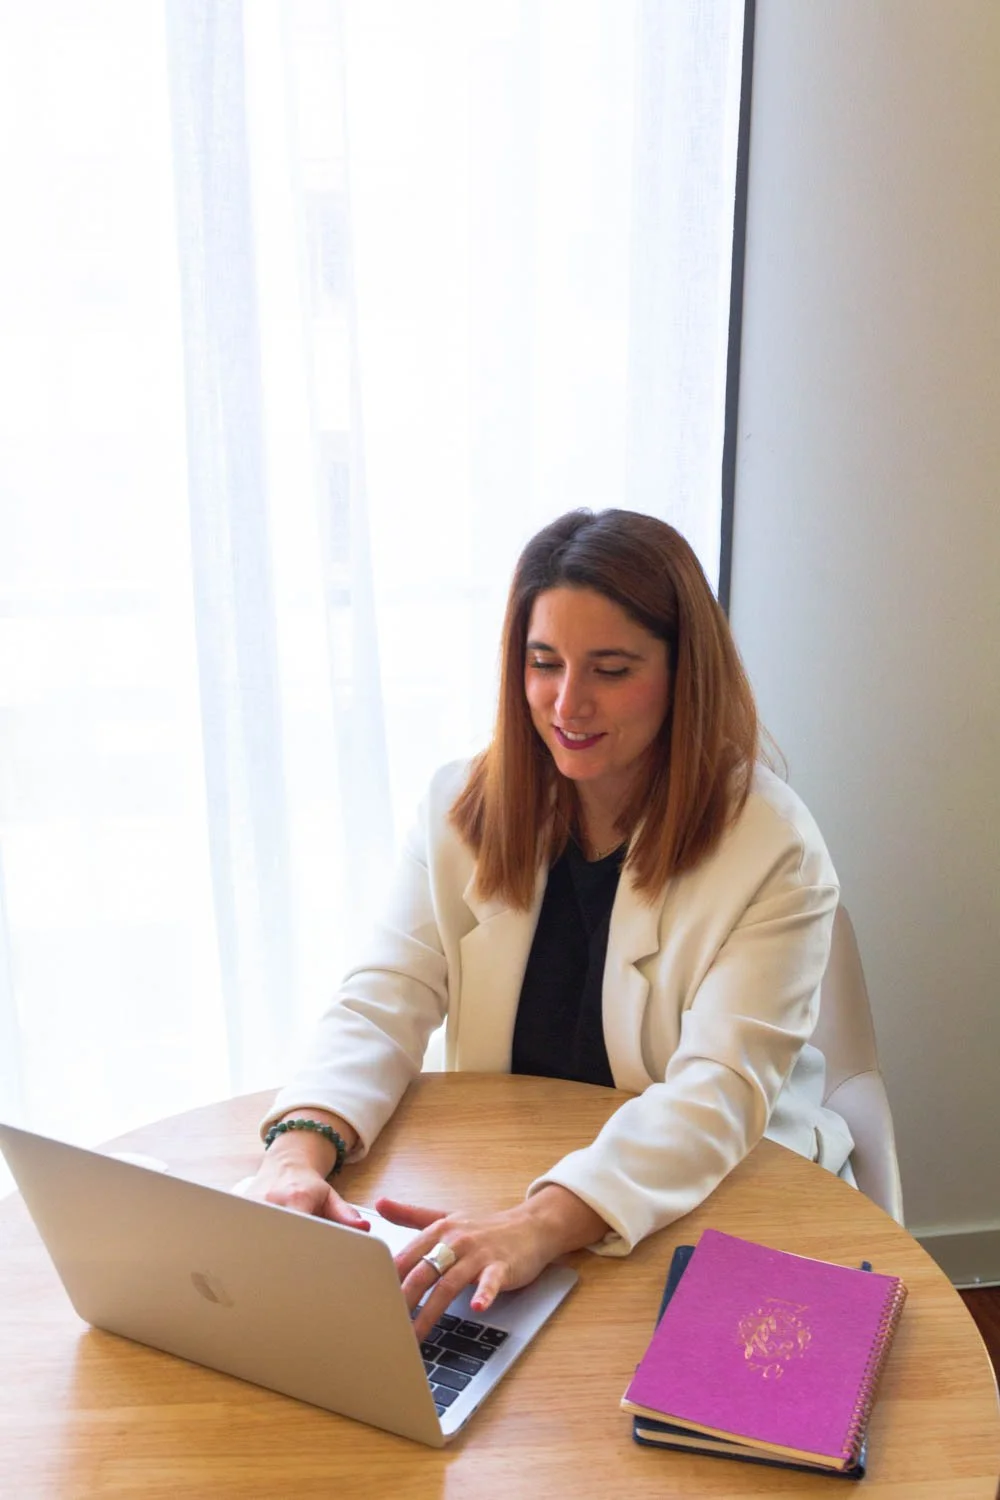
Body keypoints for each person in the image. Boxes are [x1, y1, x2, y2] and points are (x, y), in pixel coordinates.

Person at [247, 508, 853, 1340]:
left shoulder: (771, 846)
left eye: (611, 668)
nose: (568, 703)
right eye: (544, 663)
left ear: (686, 675)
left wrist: (538, 1224)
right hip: (511, 1192)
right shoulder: (463, 805)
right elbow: (382, 999)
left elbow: (716, 1094)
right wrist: (295, 1156)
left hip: (718, 1196)